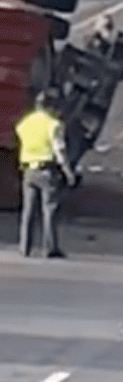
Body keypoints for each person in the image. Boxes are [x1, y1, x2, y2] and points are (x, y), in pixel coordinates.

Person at [15, 93, 71, 258]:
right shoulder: (53, 124)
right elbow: (59, 149)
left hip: (28, 170)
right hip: (47, 170)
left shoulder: (24, 124)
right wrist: (68, 172)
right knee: (49, 210)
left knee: (28, 210)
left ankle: (24, 247)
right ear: (51, 106)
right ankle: (50, 248)